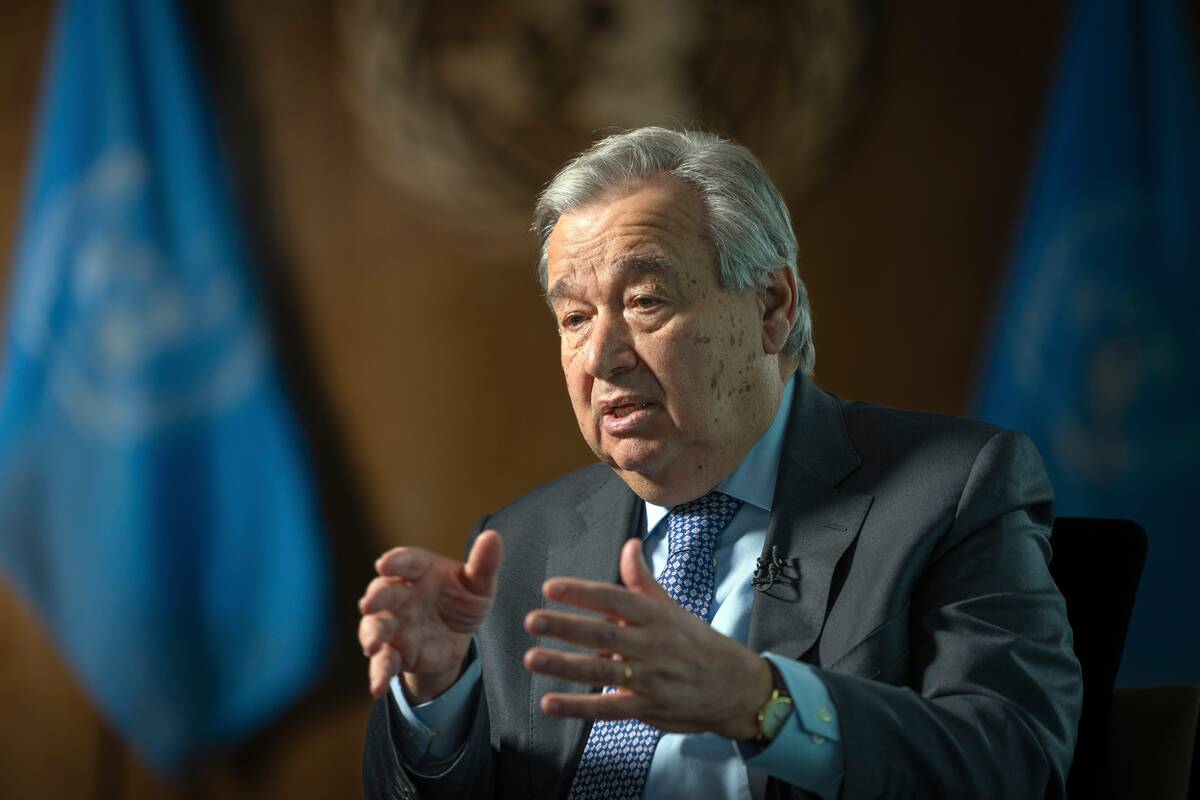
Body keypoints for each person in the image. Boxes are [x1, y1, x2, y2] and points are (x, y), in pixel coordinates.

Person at [359, 127, 1082, 800]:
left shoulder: (949, 491)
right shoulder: (518, 545)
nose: (602, 357)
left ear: (771, 305)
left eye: (645, 301)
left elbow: (1015, 761)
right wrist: (437, 690)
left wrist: (757, 700)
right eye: (575, 318)